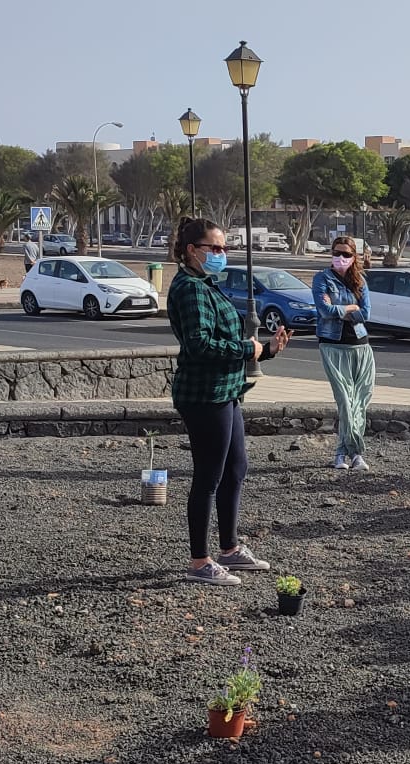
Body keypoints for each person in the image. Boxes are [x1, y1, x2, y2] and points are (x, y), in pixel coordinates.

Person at [165, 217, 286, 585]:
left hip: (226, 391)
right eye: (213, 248)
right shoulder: (190, 288)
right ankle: (200, 561)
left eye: (223, 248)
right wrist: (247, 348)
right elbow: (199, 344)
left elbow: (230, 343)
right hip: (204, 396)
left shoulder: (206, 283)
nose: (221, 254)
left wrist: (266, 351)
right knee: (208, 477)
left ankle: (230, 550)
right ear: (191, 250)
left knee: (236, 469)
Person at [313, 236, 375, 471]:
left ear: (354, 257)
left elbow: (366, 313)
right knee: (345, 402)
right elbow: (324, 310)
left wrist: (341, 309)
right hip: (333, 345)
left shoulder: (360, 280)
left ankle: (348, 454)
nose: (341, 258)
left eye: (347, 254)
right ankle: (350, 452)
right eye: (337, 253)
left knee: (360, 401)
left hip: (361, 344)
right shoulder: (322, 278)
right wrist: (351, 307)